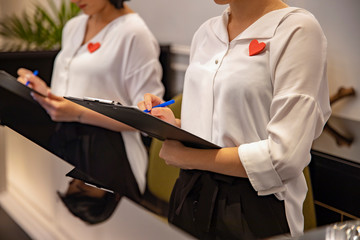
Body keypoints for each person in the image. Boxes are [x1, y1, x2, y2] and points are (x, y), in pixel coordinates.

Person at [137, 0, 331, 239]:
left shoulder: (296, 30)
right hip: (190, 194)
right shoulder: (207, 32)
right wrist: (176, 124)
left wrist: (187, 157)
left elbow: (284, 156)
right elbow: (219, 126)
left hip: (254, 204)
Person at [17, 0, 164, 217]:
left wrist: (78, 113)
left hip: (112, 153)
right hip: (66, 141)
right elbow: (70, 92)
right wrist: (44, 91)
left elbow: (148, 119)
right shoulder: (74, 26)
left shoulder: (134, 33)